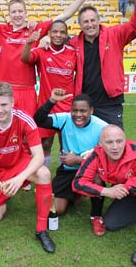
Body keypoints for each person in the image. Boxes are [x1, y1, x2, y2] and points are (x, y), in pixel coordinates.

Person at [73, 125, 136, 265]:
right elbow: (78, 183)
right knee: (111, 223)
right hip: (134, 192)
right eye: (109, 142)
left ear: (125, 140)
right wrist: (107, 191)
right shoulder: (96, 155)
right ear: (101, 144)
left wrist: (128, 185)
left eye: (119, 141)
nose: (115, 146)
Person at [0, 82, 56, 253]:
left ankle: (41, 229)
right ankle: (7, 191)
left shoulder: (24, 119)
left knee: (44, 174)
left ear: (12, 102)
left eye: (4, 104)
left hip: (18, 164)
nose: (0, 109)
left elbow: (39, 156)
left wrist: (19, 178)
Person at [71, 0, 136, 128]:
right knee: (86, 146)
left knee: (114, 144)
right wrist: (45, 39)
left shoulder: (115, 34)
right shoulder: (74, 43)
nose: (90, 24)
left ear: (99, 20)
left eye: (92, 20)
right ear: (80, 25)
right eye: (85, 22)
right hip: (84, 105)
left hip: (110, 103)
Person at [34, 89, 107, 229]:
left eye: (83, 111)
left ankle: (96, 216)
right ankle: (76, 194)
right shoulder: (65, 119)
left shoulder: (102, 127)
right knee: (58, 209)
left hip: (91, 170)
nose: (78, 115)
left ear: (91, 110)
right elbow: (38, 120)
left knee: (98, 177)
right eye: (75, 110)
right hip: (68, 170)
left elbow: (104, 160)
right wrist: (52, 101)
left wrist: (78, 160)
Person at [21, 20, 76, 169]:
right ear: (49, 33)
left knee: (67, 145)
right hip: (47, 107)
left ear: (66, 34)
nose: (58, 35)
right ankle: (44, 176)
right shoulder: (41, 51)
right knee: (45, 143)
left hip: (68, 108)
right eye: (55, 32)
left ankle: (64, 176)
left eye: (62, 32)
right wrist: (29, 43)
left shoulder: (73, 54)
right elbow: (24, 58)